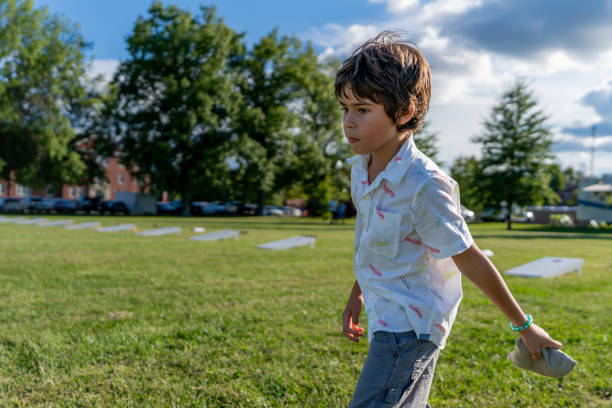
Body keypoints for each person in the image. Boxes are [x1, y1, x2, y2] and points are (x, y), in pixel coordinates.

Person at [337, 31, 562, 408]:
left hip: (412, 326)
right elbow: (369, 240)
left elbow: (470, 257)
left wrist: (524, 326)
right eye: (345, 108)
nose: (349, 122)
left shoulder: (425, 185)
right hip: (387, 314)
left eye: (362, 109)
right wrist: (357, 293)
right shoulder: (362, 171)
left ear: (404, 112)